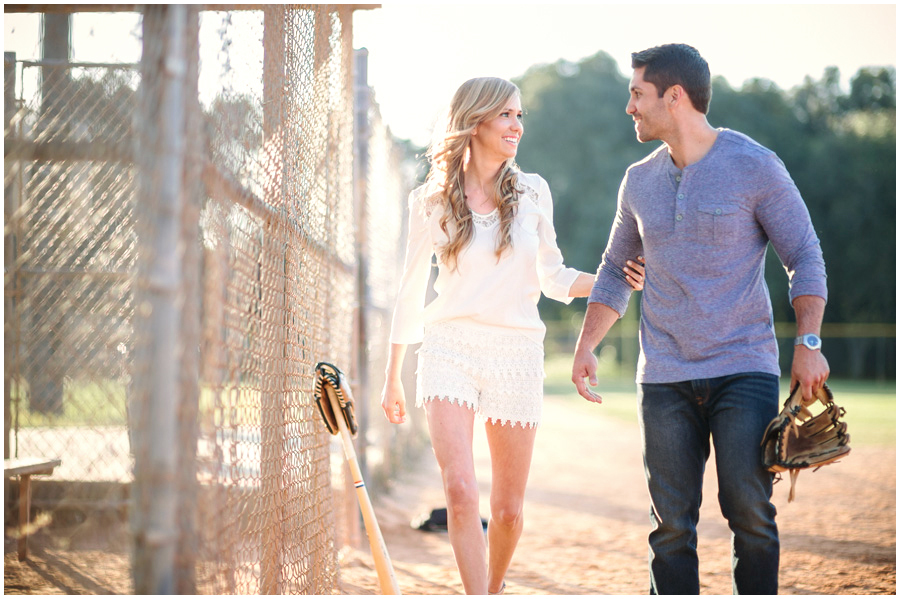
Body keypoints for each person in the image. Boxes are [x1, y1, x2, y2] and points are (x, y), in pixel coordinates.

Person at [571, 44, 829, 595]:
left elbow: (803, 254)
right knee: (669, 528)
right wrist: (587, 343)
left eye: (637, 94)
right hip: (663, 375)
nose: (630, 107)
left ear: (675, 96)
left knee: (751, 514)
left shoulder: (754, 164)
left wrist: (809, 341)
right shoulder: (638, 180)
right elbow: (615, 268)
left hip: (743, 368)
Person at [380, 76, 641, 595]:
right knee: (459, 490)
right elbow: (410, 291)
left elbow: (553, 277)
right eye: (506, 116)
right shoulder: (428, 200)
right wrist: (393, 377)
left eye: (520, 116)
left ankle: (493, 586)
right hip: (448, 348)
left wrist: (610, 280)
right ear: (474, 121)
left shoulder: (532, 192)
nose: (517, 126)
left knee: (507, 509)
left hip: (516, 353)